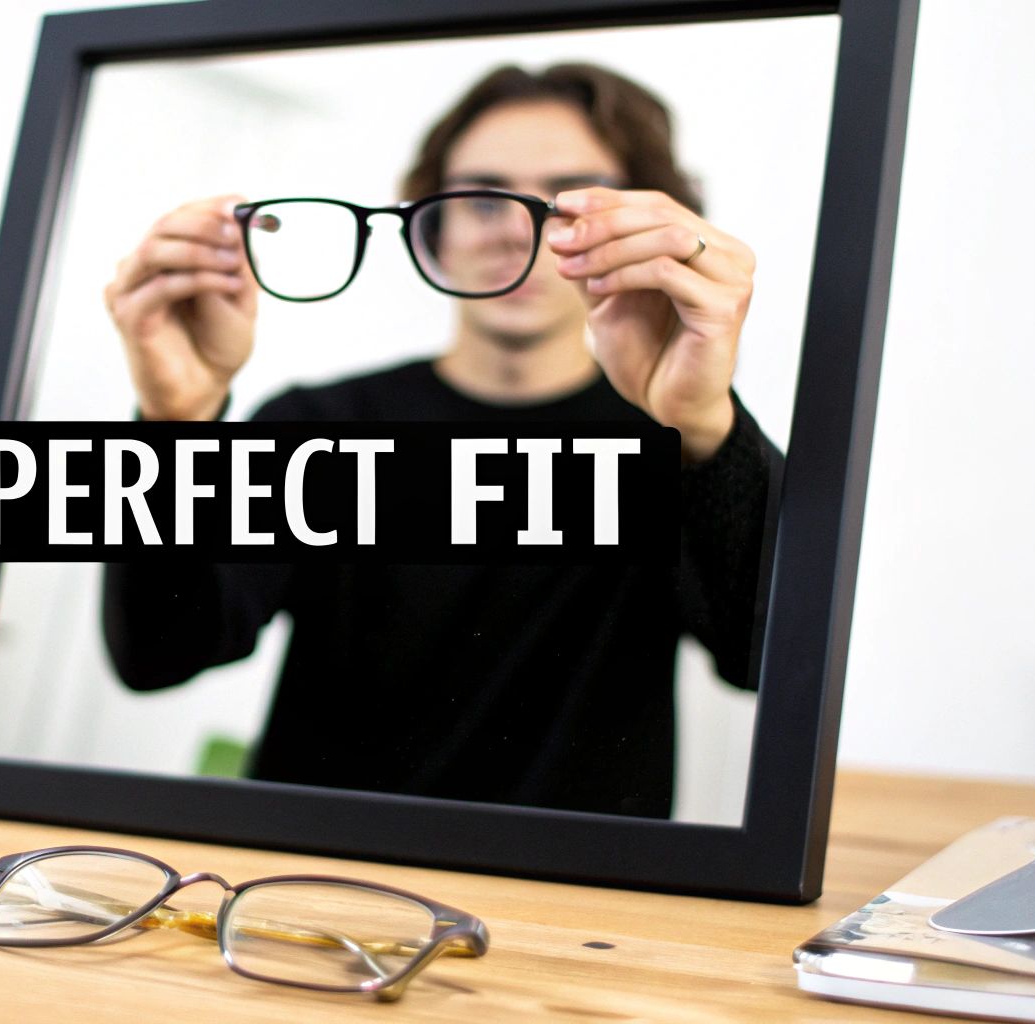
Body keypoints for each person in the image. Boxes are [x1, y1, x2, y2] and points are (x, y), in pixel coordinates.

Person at [96, 63, 781, 818]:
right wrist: (172, 426)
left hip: (576, 915)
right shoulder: (324, 425)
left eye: (567, 202)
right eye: (482, 197)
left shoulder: (674, 448)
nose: (516, 228)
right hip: (313, 891)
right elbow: (158, 654)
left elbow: (769, 663)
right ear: (433, 226)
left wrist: (705, 426)